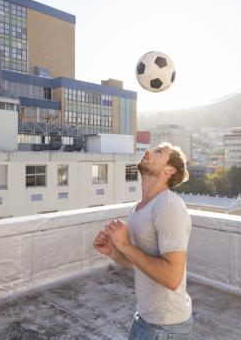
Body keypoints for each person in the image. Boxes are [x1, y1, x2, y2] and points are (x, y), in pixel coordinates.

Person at [93, 142, 193, 340]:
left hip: (166, 326)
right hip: (144, 317)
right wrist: (114, 251)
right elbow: (135, 262)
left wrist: (125, 245)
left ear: (169, 170)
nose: (147, 151)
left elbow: (172, 278)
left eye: (158, 152)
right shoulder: (137, 209)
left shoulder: (169, 205)